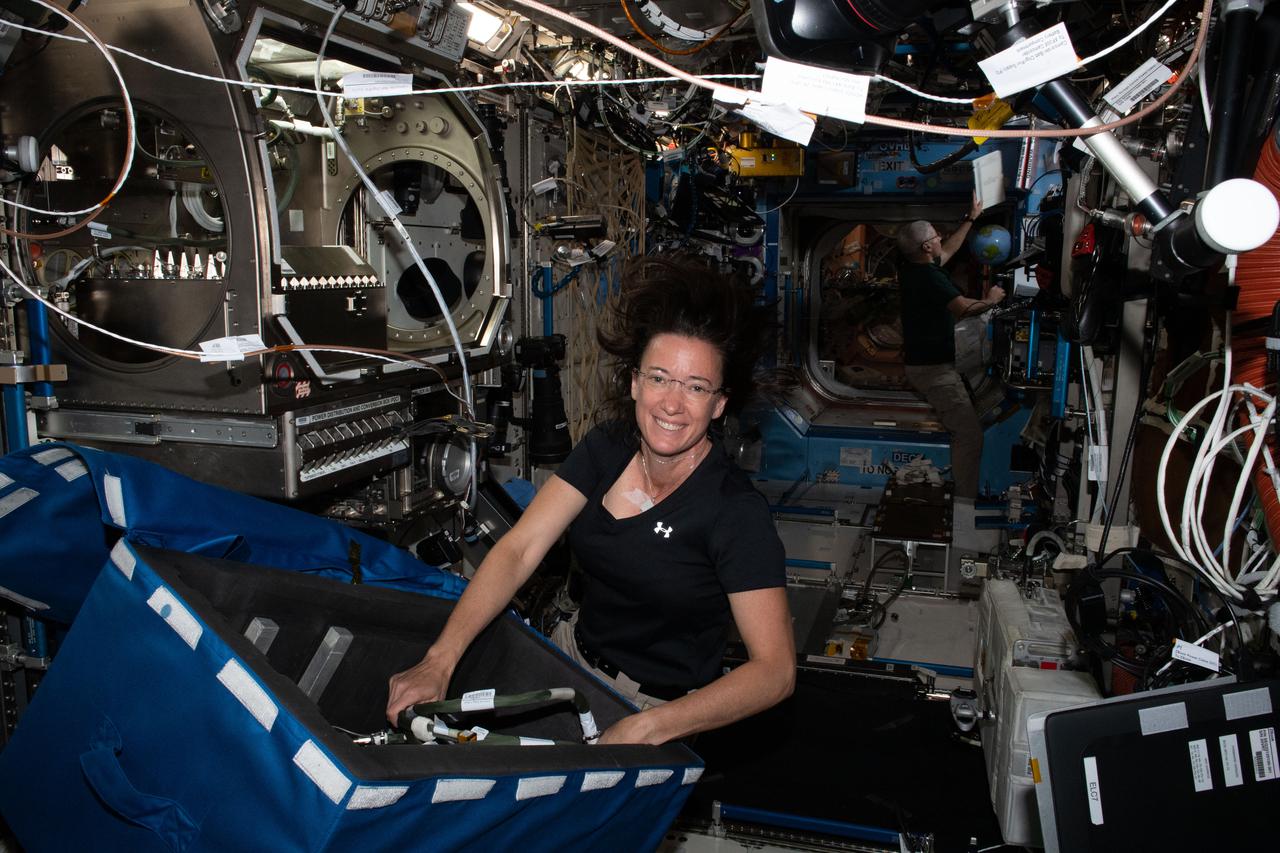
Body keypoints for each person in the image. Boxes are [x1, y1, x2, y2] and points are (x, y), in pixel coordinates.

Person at [386, 255, 796, 745]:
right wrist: (439, 660)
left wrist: (645, 728)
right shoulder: (607, 447)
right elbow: (520, 550)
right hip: (567, 658)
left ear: (719, 404)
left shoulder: (734, 511)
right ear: (634, 382)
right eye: (660, 378)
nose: (672, 403)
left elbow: (774, 671)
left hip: (654, 708)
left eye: (696, 387)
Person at [896, 196, 1005, 504]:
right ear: (927, 247)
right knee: (970, 435)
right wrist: (992, 301)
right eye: (935, 235)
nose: (940, 237)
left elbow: (951, 249)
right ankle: (964, 507)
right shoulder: (929, 277)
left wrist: (971, 218)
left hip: (927, 367)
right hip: (934, 372)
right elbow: (961, 309)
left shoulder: (914, 269)